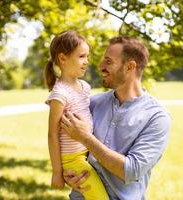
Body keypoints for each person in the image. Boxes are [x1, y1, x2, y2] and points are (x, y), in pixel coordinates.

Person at [61, 36, 171, 200]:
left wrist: (86, 137)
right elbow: (68, 145)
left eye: (108, 62)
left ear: (130, 67)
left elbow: (131, 170)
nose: (101, 66)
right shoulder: (92, 103)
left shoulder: (157, 117)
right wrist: (67, 173)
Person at [44, 30, 109, 200]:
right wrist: (57, 172)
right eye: (81, 56)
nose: (86, 62)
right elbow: (52, 134)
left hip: (87, 153)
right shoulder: (60, 94)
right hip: (72, 159)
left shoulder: (85, 87)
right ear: (63, 58)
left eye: (87, 56)